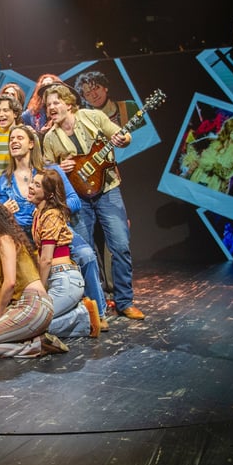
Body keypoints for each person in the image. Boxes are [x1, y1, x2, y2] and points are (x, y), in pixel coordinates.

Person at [41, 83, 145, 320]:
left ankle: (125, 302)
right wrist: (58, 168)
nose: (51, 108)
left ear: (69, 104)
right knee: (85, 253)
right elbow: (47, 170)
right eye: (48, 105)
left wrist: (123, 139)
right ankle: (96, 306)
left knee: (120, 245)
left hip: (107, 189)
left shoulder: (93, 117)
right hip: (78, 198)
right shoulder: (50, 138)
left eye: (56, 102)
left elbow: (122, 135)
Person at [0, 124, 110, 327]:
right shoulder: (4, 181)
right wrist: (5, 211)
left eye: (19, 138)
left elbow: (74, 201)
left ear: (31, 143)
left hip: (55, 227)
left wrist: (49, 210)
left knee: (86, 255)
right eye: (11, 139)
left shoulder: (50, 171)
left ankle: (99, 313)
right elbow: (2, 220)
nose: (14, 141)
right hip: (24, 235)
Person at [0, 202, 68, 357]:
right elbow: (4, 292)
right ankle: (36, 341)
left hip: (32, 304)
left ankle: (38, 346)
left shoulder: (4, 240)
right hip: (22, 305)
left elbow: (10, 283)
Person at [27, 169, 99, 338]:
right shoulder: (38, 213)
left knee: (32, 328)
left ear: (49, 194)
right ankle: (81, 318)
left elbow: (46, 259)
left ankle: (84, 315)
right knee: (30, 326)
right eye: (32, 182)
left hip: (65, 280)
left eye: (37, 185)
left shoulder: (51, 215)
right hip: (55, 279)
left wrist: (40, 288)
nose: (30, 186)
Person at [180, 116, 233, 194]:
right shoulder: (212, 140)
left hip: (215, 187)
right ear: (229, 127)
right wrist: (194, 160)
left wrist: (210, 161)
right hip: (196, 178)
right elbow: (191, 146)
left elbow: (227, 174)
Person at [74, 71, 142, 128]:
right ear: (85, 99)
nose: (94, 95)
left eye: (96, 88)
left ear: (105, 88)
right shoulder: (90, 125)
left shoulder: (130, 106)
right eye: (88, 94)